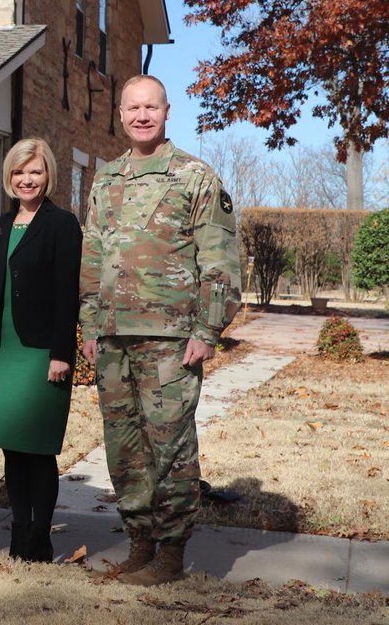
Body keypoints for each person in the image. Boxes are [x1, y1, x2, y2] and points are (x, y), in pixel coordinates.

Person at [80, 74, 241, 585]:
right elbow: (92, 255)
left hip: (171, 338)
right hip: (112, 337)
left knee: (169, 445)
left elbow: (219, 260)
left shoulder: (195, 177)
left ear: (167, 112)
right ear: (121, 115)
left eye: (151, 107)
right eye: (133, 108)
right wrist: (88, 324)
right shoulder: (106, 179)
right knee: (124, 445)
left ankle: (170, 552)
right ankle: (139, 542)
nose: (142, 116)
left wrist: (207, 330)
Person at [0, 137, 81, 562]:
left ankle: (40, 538)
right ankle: (18, 533)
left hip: (43, 351)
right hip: (6, 349)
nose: (27, 179)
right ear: (10, 176)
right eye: (20, 172)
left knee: (39, 449)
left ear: (48, 175)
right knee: (12, 447)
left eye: (35, 171)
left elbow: (67, 293)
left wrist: (62, 352)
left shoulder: (62, 224)